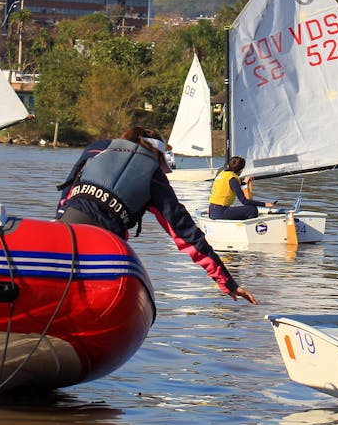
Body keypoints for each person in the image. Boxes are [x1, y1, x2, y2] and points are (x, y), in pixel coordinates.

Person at [56, 126, 257, 304]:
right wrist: (227, 282)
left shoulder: (98, 147)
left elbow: (66, 194)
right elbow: (187, 234)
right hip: (104, 246)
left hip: (63, 232)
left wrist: (56, 227)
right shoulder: (154, 175)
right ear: (158, 156)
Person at [208, 156, 275, 220]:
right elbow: (244, 201)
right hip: (220, 212)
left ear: (228, 165)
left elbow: (231, 185)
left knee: (245, 209)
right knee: (252, 209)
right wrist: (265, 204)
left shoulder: (222, 174)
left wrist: (245, 182)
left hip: (212, 210)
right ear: (241, 170)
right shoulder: (233, 179)